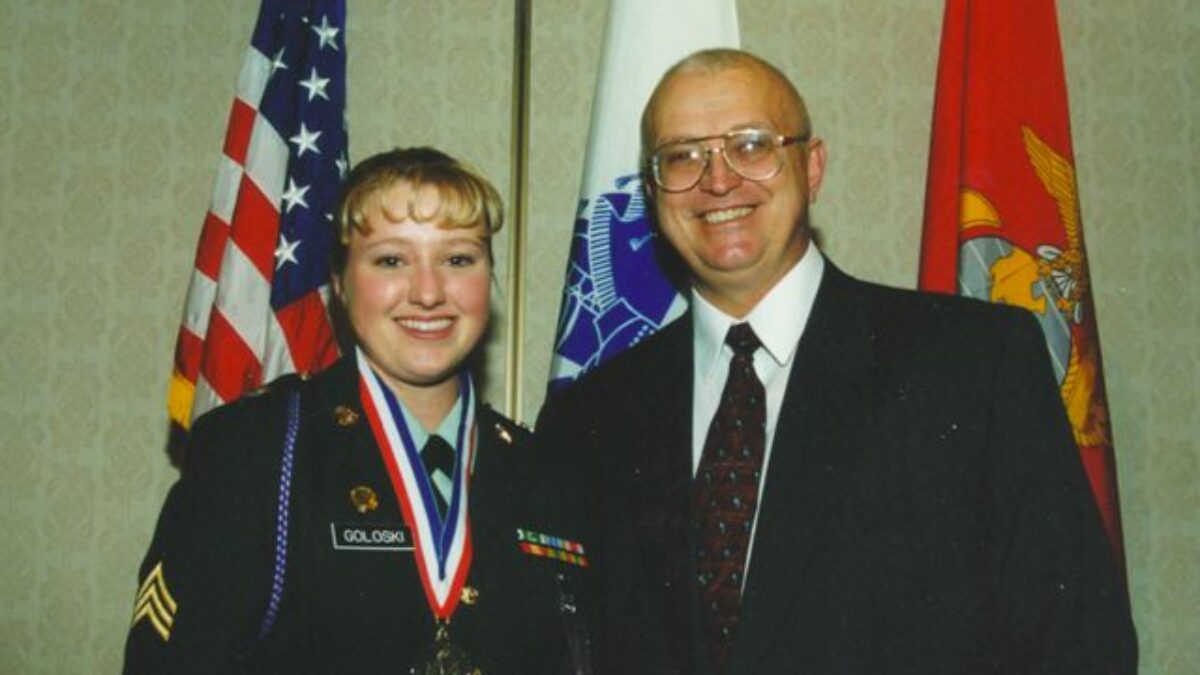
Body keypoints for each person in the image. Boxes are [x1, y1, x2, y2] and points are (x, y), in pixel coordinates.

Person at [535, 49, 1136, 674]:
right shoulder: (590, 416)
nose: (718, 180)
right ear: (653, 191)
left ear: (812, 166)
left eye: (751, 145)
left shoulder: (973, 364)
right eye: (682, 156)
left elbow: (1079, 642)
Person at [124, 148, 593, 674]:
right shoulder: (255, 450)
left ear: (488, 280)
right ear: (341, 286)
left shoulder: (545, 470)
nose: (429, 291)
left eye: (458, 258)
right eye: (391, 260)